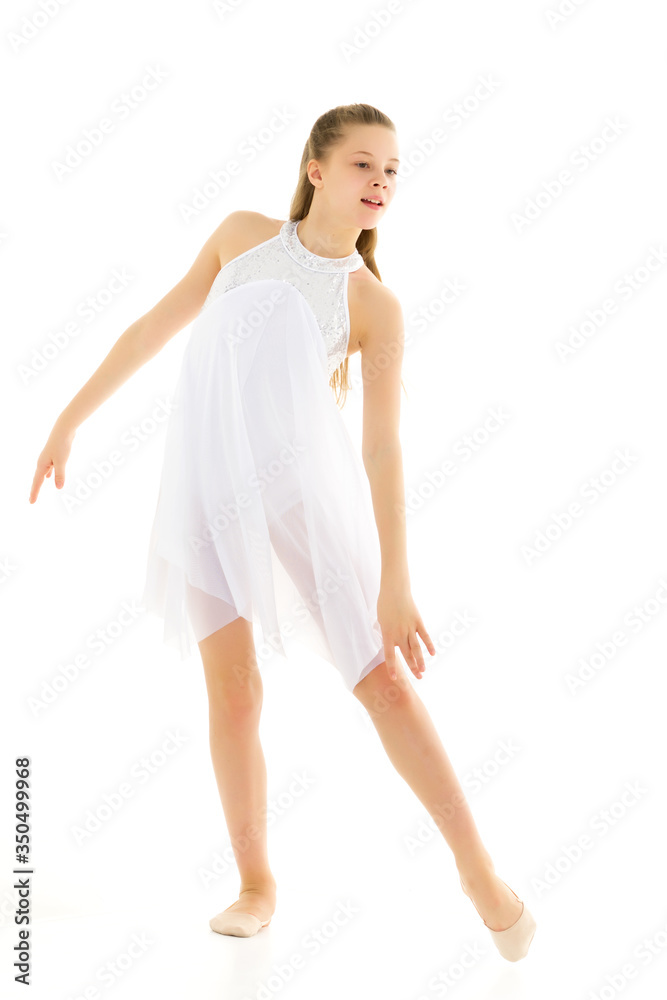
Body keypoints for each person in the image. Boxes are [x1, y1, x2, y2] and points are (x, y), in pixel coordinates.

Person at [28, 103, 536, 960]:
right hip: (206, 492)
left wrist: (396, 579)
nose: (380, 181)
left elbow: (381, 448)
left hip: (300, 497)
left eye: (391, 170)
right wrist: (68, 420)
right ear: (316, 170)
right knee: (233, 694)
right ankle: (255, 883)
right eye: (363, 164)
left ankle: (478, 872)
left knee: (380, 681)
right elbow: (151, 328)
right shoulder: (241, 237)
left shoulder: (373, 304)